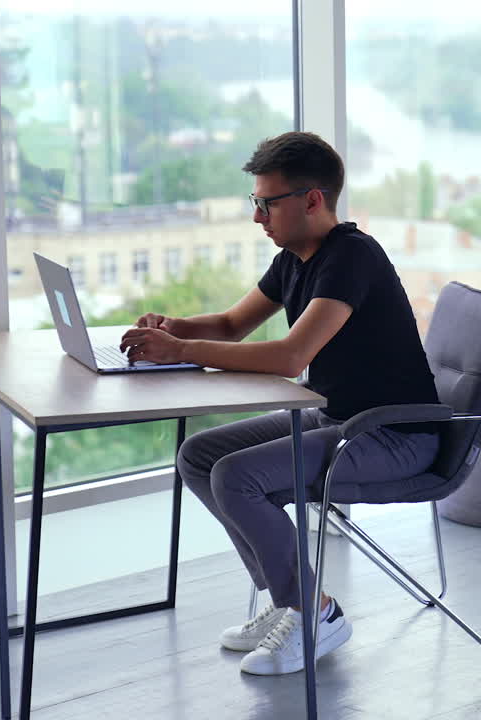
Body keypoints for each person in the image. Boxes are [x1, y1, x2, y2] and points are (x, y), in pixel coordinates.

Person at [119, 131, 441, 675]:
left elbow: (292, 356)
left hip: (395, 435)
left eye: (266, 203)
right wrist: (172, 328)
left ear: (312, 200)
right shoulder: (294, 258)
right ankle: (291, 600)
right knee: (200, 457)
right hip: (340, 419)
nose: (257, 217)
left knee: (236, 477)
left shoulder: (351, 258)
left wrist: (181, 350)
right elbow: (229, 325)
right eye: (256, 203)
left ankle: (315, 611)